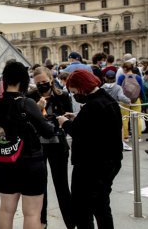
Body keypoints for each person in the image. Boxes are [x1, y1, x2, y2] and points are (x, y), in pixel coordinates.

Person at [0, 61, 54, 229]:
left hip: (4, 161)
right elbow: (48, 132)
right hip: (30, 161)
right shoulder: (26, 103)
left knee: (6, 209)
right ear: (23, 80)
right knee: (32, 213)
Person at [57, 70, 122, 229]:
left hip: (90, 166)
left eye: (74, 92)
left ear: (81, 87)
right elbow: (94, 128)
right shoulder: (107, 100)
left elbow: (79, 133)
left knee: (82, 209)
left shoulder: (93, 106)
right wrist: (77, 118)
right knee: (101, 206)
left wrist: (64, 122)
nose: (74, 96)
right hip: (110, 162)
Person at [26, 67, 74, 229]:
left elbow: (69, 118)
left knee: (62, 186)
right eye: (38, 83)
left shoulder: (62, 96)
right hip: (37, 146)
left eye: (44, 82)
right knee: (40, 187)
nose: (41, 85)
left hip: (58, 144)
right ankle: (42, 222)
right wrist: (38, 109)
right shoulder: (30, 97)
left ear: (51, 80)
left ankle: (71, 222)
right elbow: (26, 122)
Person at [101, 69, 132, 151]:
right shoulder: (118, 87)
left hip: (103, 109)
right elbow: (121, 97)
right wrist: (128, 101)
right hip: (115, 109)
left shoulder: (102, 88)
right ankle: (120, 143)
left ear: (105, 78)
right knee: (119, 127)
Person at [117, 61, 145, 143]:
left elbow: (119, 89)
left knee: (125, 118)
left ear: (125, 68)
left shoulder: (121, 77)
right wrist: (143, 99)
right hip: (136, 100)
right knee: (138, 117)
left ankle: (125, 137)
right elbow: (141, 90)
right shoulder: (138, 77)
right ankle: (138, 136)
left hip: (124, 100)